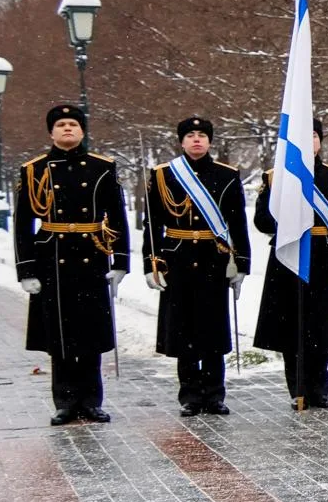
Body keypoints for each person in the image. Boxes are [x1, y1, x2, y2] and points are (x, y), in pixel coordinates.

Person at [14, 104, 129, 425]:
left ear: (82, 131)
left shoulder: (102, 167)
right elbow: (23, 223)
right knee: (60, 335)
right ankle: (64, 401)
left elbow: (117, 216)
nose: (67, 129)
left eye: (73, 125)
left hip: (91, 254)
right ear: (51, 132)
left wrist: (120, 262)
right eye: (61, 125)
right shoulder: (34, 170)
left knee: (91, 332)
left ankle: (92, 400)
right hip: (52, 257)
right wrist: (26, 270)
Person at [143, 116, 251, 417]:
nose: (196, 140)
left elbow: (238, 223)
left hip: (213, 259)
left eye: (202, 135)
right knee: (184, 330)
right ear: (181, 141)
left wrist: (241, 264)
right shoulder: (164, 175)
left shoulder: (227, 175)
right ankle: (189, 395)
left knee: (214, 331)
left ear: (210, 141)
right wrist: (151, 264)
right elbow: (151, 224)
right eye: (190, 135)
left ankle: (215, 394)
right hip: (177, 259)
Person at [254, 119, 328, 409]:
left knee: (320, 329)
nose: (309, 140)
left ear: (320, 141)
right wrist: (284, 209)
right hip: (288, 257)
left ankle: (319, 389)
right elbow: (262, 221)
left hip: (323, 258)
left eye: (313, 135)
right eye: (303, 135)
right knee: (291, 329)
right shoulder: (276, 177)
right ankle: (297, 389)